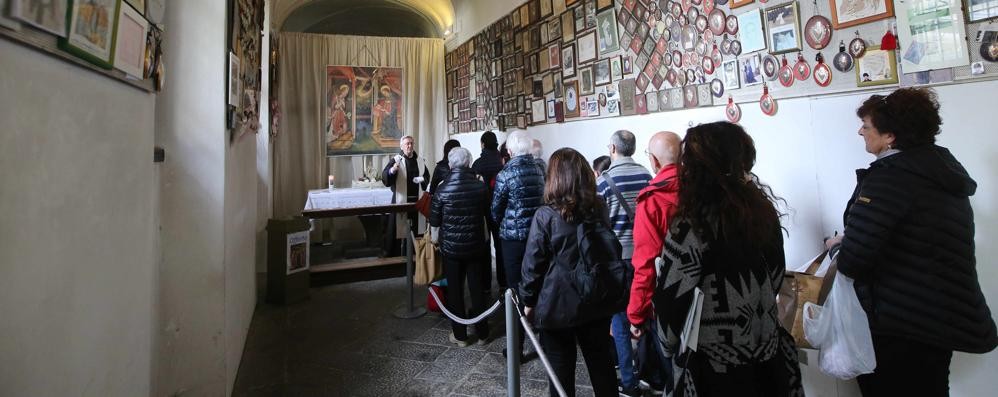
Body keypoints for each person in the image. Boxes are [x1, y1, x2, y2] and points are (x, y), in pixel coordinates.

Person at [826, 88, 996, 396]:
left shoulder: (890, 179)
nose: (860, 131)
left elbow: (854, 260)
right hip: (938, 318)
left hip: (899, 324)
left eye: (867, 125)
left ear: (890, 135)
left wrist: (837, 246)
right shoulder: (938, 171)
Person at [654, 122, 802, 396]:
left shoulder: (691, 225)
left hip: (714, 369)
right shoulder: (762, 213)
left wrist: (667, 345)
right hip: (767, 359)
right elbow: (776, 275)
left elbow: (671, 298)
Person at [520, 148, 619, 397]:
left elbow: (533, 265)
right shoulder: (598, 207)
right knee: (602, 368)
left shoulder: (546, 215)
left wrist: (528, 302)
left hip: (558, 303)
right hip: (595, 296)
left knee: (561, 374)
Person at [594, 130, 653, 397]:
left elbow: (598, 222)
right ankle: (650, 372)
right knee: (645, 315)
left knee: (619, 320)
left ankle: (628, 381)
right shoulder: (646, 176)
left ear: (614, 149)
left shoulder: (604, 181)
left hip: (618, 257)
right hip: (645, 254)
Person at [429, 147, 491, 347]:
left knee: (455, 290)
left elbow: (435, 219)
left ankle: (460, 335)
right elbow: (487, 213)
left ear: (450, 164)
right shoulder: (479, 186)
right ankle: (483, 333)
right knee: (477, 288)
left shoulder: (442, 188)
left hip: (452, 248)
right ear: (469, 163)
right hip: (475, 245)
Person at [492, 130, 545, 360]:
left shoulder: (507, 173)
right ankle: (545, 341)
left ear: (510, 151)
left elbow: (496, 209)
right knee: (538, 284)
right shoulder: (539, 169)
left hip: (513, 239)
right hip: (538, 235)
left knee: (514, 291)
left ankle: (516, 348)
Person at [382, 135, 430, 254]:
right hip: (401, 201)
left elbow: (427, 177)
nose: (409, 146)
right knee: (398, 230)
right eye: (407, 144)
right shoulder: (396, 160)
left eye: (411, 143)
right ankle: (397, 255)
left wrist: (421, 179)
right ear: (401, 146)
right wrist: (393, 170)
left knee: (417, 229)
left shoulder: (420, 160)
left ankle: (416, 253)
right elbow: (385, 176)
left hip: (417, 202)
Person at [472, 131, 506, 291]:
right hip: (501, 210)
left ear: (483, 144)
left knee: (484, 248)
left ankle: (485, 284)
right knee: (500, 247)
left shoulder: (478, 164)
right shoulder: (503, 162)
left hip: (483, 210)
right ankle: (503, 283)